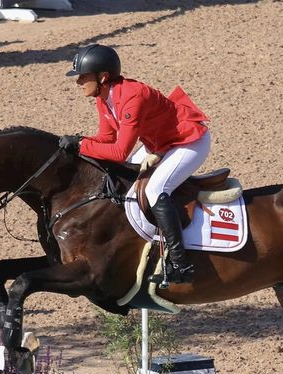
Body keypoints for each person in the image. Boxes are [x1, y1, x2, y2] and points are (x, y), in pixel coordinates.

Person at [60, 43, 210, 287]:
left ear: (103, 76)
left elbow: (119, 151)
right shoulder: (104, 97)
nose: (78, 82)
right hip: (160, 143)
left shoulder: (132, 96)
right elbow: (107, 138)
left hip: (188, 141)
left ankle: (180, 264)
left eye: (83, 76)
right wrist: (81, 140)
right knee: (124, 181)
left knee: (154, 190)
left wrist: (80, 147)